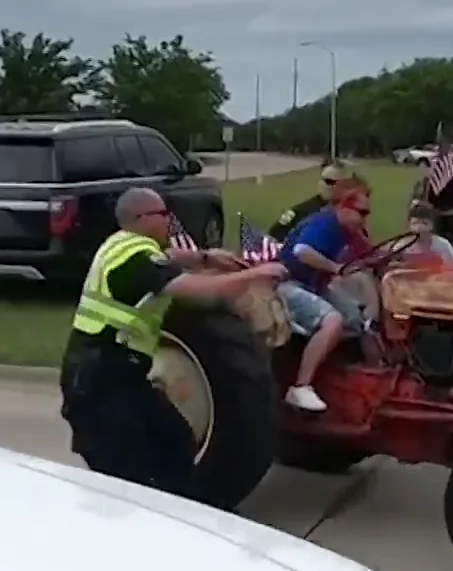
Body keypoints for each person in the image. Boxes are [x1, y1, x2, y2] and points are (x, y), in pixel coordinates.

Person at [61, 187, 287, 496]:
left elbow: (170, 258)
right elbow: (192, 288)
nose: (170, 220)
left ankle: (177, 506)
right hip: (99, 380)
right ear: (142, 218)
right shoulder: (132, 256)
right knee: (126, 477)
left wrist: (207, 256)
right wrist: (257, 275)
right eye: (164, 214)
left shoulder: (125, 245)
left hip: (125, 375)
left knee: (177, 443)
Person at [276, 184, 375, 412]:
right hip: (287, 284)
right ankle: (300, 387)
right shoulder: (324, 223)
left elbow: (372, 253)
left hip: (314, 287)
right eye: (362, 212)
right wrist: (335, 268)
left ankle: (331, 366)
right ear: (342, 207)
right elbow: (302, 250)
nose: (365, 219)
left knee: (355, 319)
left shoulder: (349, 232)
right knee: (333, 321)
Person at [269, 161, 357, 241]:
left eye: (341, 183)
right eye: (329, 182)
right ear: (320, 183)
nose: (334, 187)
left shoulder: (353, 212)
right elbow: (272, 236)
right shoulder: (298, 211)